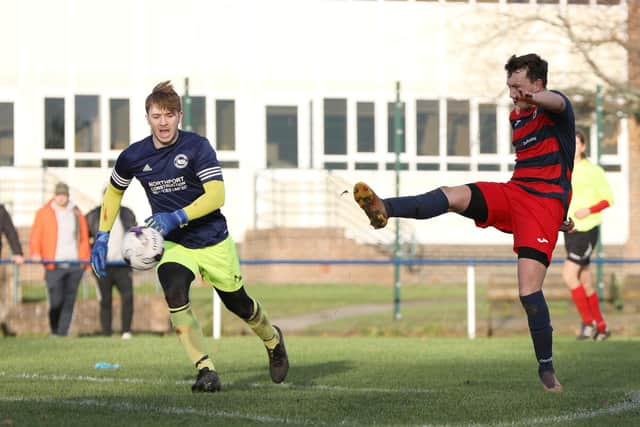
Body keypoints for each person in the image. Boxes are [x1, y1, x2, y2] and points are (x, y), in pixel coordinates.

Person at [353, 54, 574, 393]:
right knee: (452, 194)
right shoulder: (518, 118)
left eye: (519, 87)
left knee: (528, 291)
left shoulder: (554, 107)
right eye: (510, 87)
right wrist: (522, 103)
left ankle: (546, 370)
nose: (513, 94)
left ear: (537, 84)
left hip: (543, 207)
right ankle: (383, 207)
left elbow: (556, 101)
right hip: (516, 193)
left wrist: (556, 214)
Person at [90, 81, 289, 392]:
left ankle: (272, 339)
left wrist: (176, 216)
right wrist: (102, 236)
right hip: (172, 244)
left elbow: (217, 195)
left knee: (239, 305)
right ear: (148, 118)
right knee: (175, 293)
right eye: (157, 116)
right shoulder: (133, 156)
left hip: (212, 239)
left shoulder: (197, 147)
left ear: (179, 116)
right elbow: (114, 192)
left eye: (169, 115)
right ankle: (205, 369)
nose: (163, 122)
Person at [561, 130, 613, 341]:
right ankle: (601, 326)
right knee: (585, 280)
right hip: (570, 230)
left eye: (576, 143)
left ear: (583, 147)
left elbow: (607, 199)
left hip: (587, 229)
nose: (573, 148)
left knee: (568, 275)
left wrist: (588, 210)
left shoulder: (594, 171)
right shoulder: (563, 170)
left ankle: (588, 324)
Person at [30, 182, 90, 337]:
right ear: (54, 196)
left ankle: (63, 333)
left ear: (67, 196)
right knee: (56, 300)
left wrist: (86, 262)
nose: (61, 198)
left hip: (75, 264)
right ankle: (54, 330)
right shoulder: (43, 213)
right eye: (59, 195)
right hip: (53, 264)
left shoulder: (77, 213)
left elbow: (83, 238)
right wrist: (36, 252)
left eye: (64, 195)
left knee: (69, 301)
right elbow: (36, 235)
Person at [86, 199, 137, 338]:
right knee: (105, 299)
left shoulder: (127, 214)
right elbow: (85, 237)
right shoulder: (94, 215)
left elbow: (135, 235)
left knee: (128, 297)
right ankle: (106, 333)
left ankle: (126, 331)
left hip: (122, 266)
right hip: (104, 266)